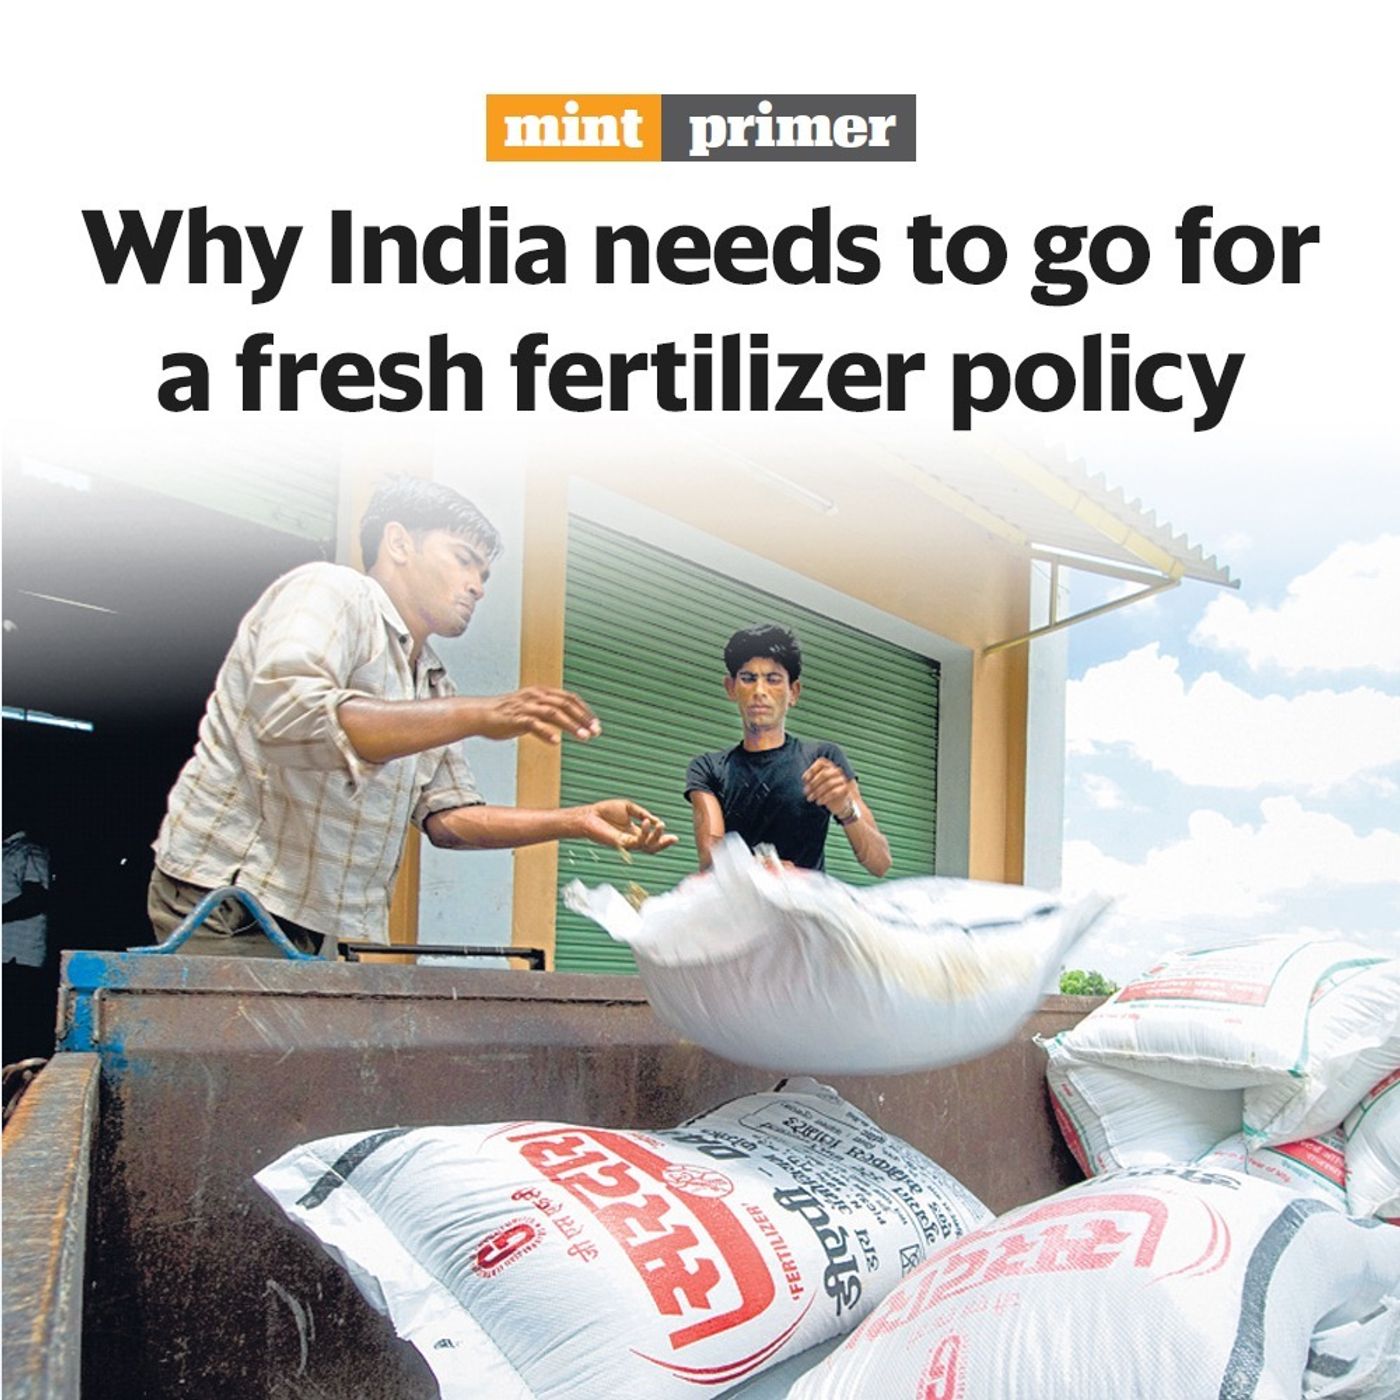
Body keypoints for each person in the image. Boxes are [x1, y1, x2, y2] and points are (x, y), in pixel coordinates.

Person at [149, 477, 675, 957]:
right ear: (399, 543)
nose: (478, 585)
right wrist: (479, 713)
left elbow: (449, 819)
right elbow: (290, 721)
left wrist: (575, 820)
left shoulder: (433, 683)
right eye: (464, 560)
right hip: (233, 900)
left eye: (484, 574)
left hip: (326, 923)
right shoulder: (330, 591)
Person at [685, 623, 891, 876]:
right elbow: (710, 859)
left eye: (773, 679)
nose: (759, 691)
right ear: (731, 688)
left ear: (793, 692)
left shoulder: (822, 760)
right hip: (740, 902)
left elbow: (880, 863)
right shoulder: (709, 768)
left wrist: (845, 808)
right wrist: (764, 869)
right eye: (748, 678)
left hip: (805, 903)